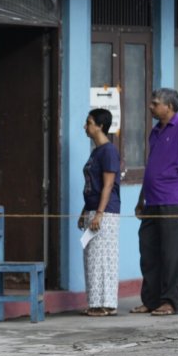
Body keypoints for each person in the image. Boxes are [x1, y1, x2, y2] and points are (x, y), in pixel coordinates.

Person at [132, 88, 178, 316]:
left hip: (174, 200)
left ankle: (169, 302)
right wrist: (140, 198)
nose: (151, 106)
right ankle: (151, 300)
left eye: (155, 103)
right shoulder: (155, 131)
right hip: (152, 200)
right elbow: (152, 166)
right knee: (149, 251)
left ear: (169, 107)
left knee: (172, 253)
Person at [77, 109, 121, 317]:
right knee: (92, 258)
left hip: (105, 212)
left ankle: (105, 303)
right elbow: (91, 185)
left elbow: (108, 184)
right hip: (93, 209)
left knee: (104, 259)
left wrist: (100, 213)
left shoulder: (108, 151)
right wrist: (85, 211)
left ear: (100, 126)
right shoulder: (96, 151)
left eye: (89, 122)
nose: (86, 127)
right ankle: (96, 303)